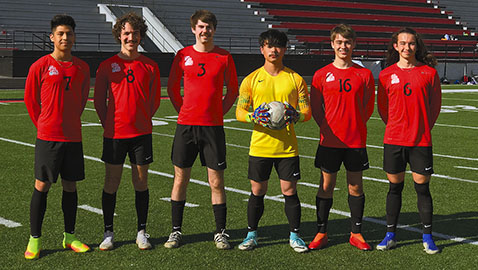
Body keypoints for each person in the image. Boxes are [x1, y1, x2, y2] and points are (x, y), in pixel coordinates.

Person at [164, 9, 238, 250]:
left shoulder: (224, 57)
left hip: (213, 128)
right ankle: (175, 231)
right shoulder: (182, 55)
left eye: (209, 27)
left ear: (214, 30)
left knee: (216, 181)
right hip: (186, 126)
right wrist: (183, 110)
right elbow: (173, 88)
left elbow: (233, 91)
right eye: (201, 27)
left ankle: (220, 232)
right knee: (180, 179)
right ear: (193, 29)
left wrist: (219, 112)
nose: (205, 31)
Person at [236, 29, 311, 253]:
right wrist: (252, 116)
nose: (273, 50)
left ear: (285, 50)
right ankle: (251, 234)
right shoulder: (251, 79)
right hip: (260, 146)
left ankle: (295, 236)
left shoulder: (295, 79)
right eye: (269, 46)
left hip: (287, 148)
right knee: (257, 191)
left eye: (278, 46)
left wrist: (296, 115)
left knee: (289, 191)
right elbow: (240, 112)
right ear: (262, 49)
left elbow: (307, 112)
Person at [23, 14, 91, 259]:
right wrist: (43, 124)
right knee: (42, 186)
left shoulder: (82, 68)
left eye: (69, 33)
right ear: (52, 37)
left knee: (70, 186)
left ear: (74, 37)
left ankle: (69, 236)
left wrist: (69, 121)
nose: (65, 37)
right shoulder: (40, 66)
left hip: (73, 137)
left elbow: (82, 99)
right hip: (48, 137)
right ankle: (35, 239)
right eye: (60, 33)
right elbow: (31, 100)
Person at [94, 12, 161, 251]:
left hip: (141, 134)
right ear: (119, 36)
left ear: (140, 35)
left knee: (140, 182)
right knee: (111, 182)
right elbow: (99, 101)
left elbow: (154, 101)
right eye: (126, 33)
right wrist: (108, 123)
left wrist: (141, 120)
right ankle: (108, 232)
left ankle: (141, 231)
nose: (130, 37)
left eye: (134, 33)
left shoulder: (150, 66)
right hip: (114, 135)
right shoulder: (106, 66)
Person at [309, 24, 375, 251]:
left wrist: (354, 125)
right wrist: (328, 128)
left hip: (355, 141)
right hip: (329, 141)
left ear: (353, 44)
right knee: (326, 186)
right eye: (339, 42)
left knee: (355, 186)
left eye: (347, 42)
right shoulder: (320, 75)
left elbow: (367, 107)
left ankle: (356, 233)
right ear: (332, 44)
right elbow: (316, 109)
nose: (343, 46)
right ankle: (321, 232)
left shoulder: (364, 74)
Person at [376, 27, 441, 255]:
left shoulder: (429, 73)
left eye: (411, 43)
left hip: (421, 141)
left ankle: (427, 236)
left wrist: (421, 128)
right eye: (402, 43)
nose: (407, 47)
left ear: (417, 46)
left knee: (422, 189)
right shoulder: (386, 74)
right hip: (394, 139)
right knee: (395, 187)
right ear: (395, 46)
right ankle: (390, 235)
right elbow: (383, 108)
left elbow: (435, 107)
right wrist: (396, 126)